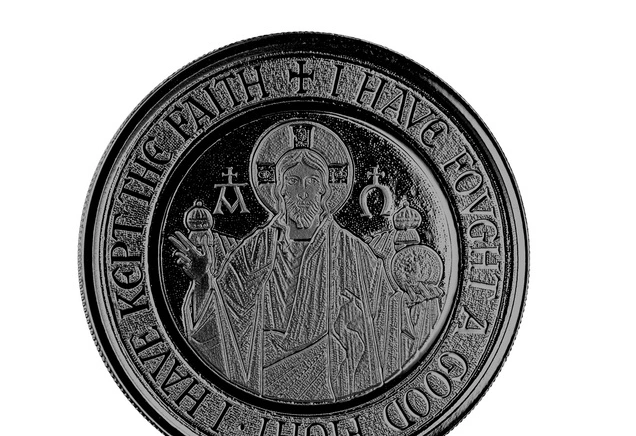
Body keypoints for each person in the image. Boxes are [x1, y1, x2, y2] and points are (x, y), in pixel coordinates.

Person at [172, 146, 440, 403]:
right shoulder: (255, 250)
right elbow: (222, 323)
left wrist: (418, 303)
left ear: (324, 191)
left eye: (312, 181)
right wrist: (202, 281)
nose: (303, 192)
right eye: (293, 181)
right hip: (262, 385)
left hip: (333, 384)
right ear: (280, 190)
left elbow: (386, 319)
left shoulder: (352, 252)